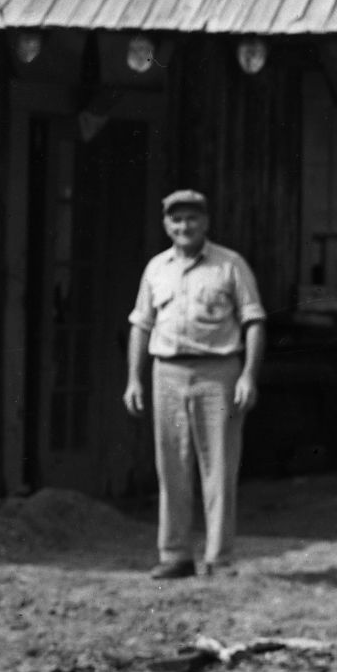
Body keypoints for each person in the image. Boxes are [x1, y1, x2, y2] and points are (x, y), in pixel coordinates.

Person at [122, 190, 264, 580]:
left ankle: (219, 558)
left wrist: (248, 375)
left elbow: (253, 322)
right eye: (176, 220)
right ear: (166, 225)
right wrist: (134, 378)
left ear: (206, 223)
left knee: (218, 466)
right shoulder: (156, 268)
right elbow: (141, 324)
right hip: (166, 372)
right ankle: (176, 554)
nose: (184, 227)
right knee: (171, 466)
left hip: (218, 372)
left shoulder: (230, 265)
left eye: (192, 219)